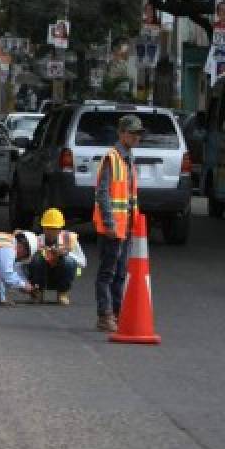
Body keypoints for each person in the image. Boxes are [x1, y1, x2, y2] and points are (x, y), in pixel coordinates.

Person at [93, 114, 142, 332]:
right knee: (108, 273)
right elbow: (102, 194)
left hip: (126, 228)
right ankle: (105, 315)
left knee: (120, 273)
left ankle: (117, 313)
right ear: (121, 133)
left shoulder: (128, 159)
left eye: (138, 134)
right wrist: (109, 223)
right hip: (112, 228)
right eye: (132, 133)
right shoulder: (112, 158)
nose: (136, 137)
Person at [27, 208, 87, 305]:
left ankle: (63, 293)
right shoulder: (36, 240)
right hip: (41, 275)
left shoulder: (69, 239)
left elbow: (83, 262)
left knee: (68, 261)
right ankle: (37, 292)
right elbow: (23, 263)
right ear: (43, 228)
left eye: (54, 229)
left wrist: (65, 253)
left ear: (60, 229)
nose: (51, 232)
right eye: (48, 228)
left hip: (62, 275)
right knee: (36, 258)